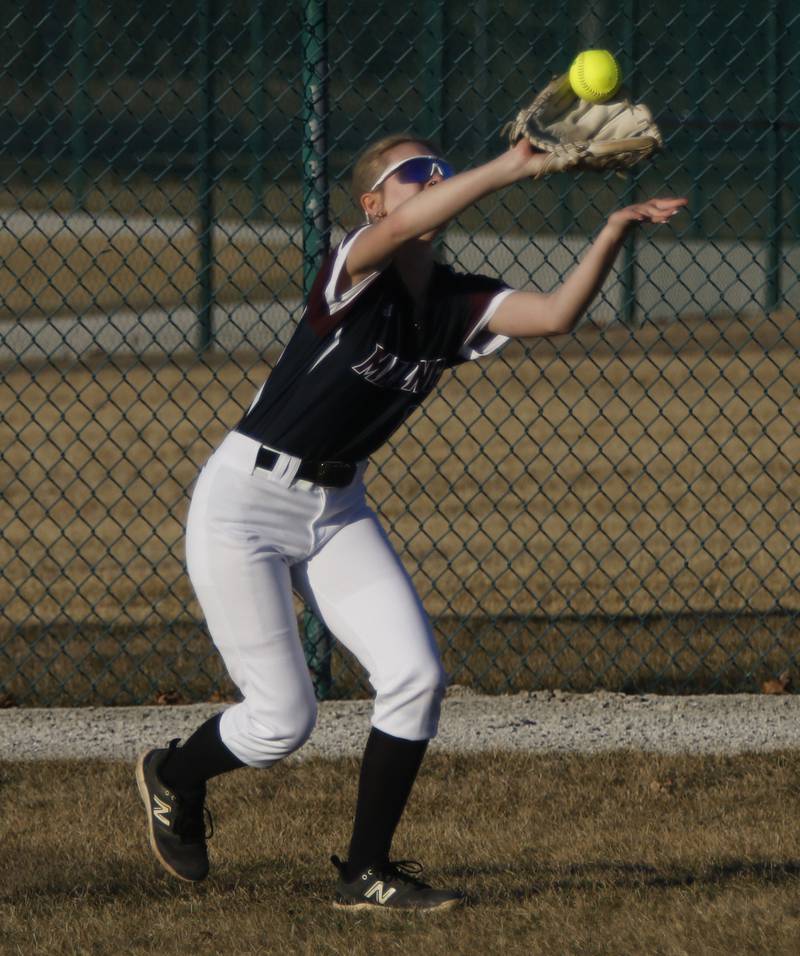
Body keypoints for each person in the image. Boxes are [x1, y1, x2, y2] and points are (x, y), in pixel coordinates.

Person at [136, 132, 687, 911]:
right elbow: (397, 234)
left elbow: (557, 315)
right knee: (282, 722)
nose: (434, 179)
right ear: (372, 204)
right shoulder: (353, 270)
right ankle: (174, 774)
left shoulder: (454, 303)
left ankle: (366, 872)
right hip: (245, 507)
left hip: (337, 508)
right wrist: (513, 166)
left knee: (416, 678)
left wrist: (611, 231)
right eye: (413, 174)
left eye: (439, 170)